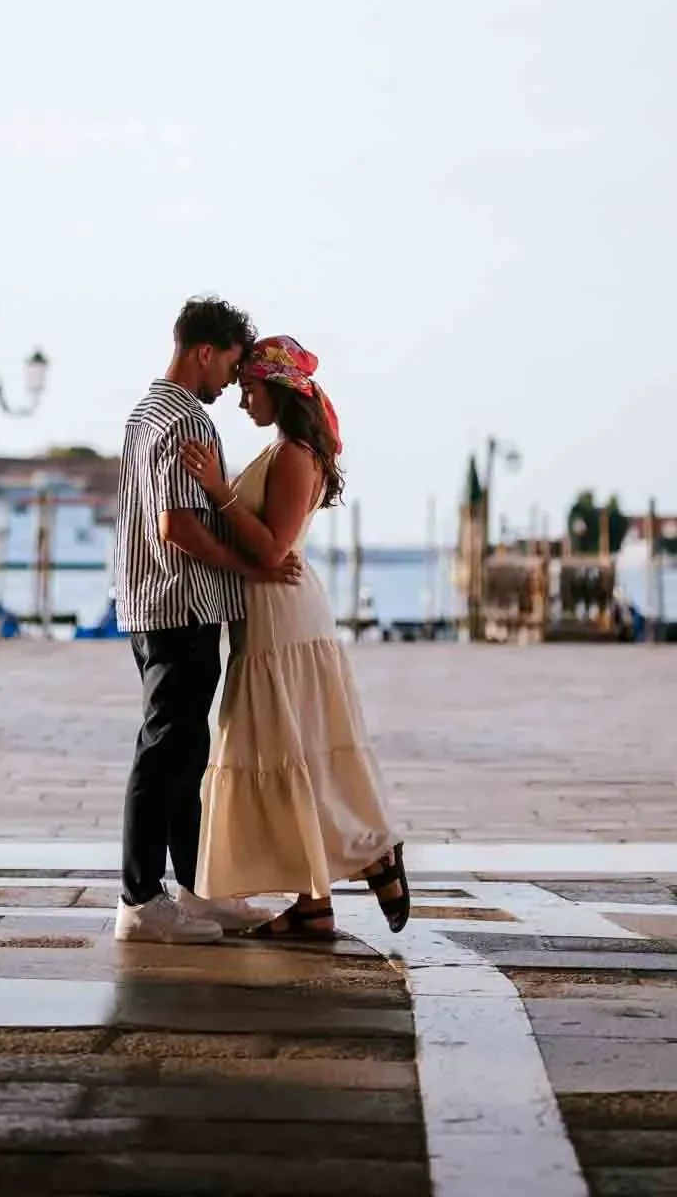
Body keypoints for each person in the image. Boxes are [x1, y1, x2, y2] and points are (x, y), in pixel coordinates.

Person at [182, 335, 409, 939]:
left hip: (282, 616)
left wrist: (216, 489)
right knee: (282, 750)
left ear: (276, 389)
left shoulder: (293, 455)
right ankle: (314, 901)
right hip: (266, 612)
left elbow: (274, 546)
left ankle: (375, 853)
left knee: (293, 747)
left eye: (249, 390)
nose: (241, 402)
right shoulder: (284, 449)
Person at [113, 297, 304, 945]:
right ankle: (139, 898)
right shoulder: (184, 421)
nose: (232, 378)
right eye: (229, 363)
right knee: (166, 749)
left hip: (151, 604)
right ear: (203, 351)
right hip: (181, 604)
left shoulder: (145, 412)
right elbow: (177, 526)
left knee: (184, 751)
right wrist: (248, 570)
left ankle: (197, 889)